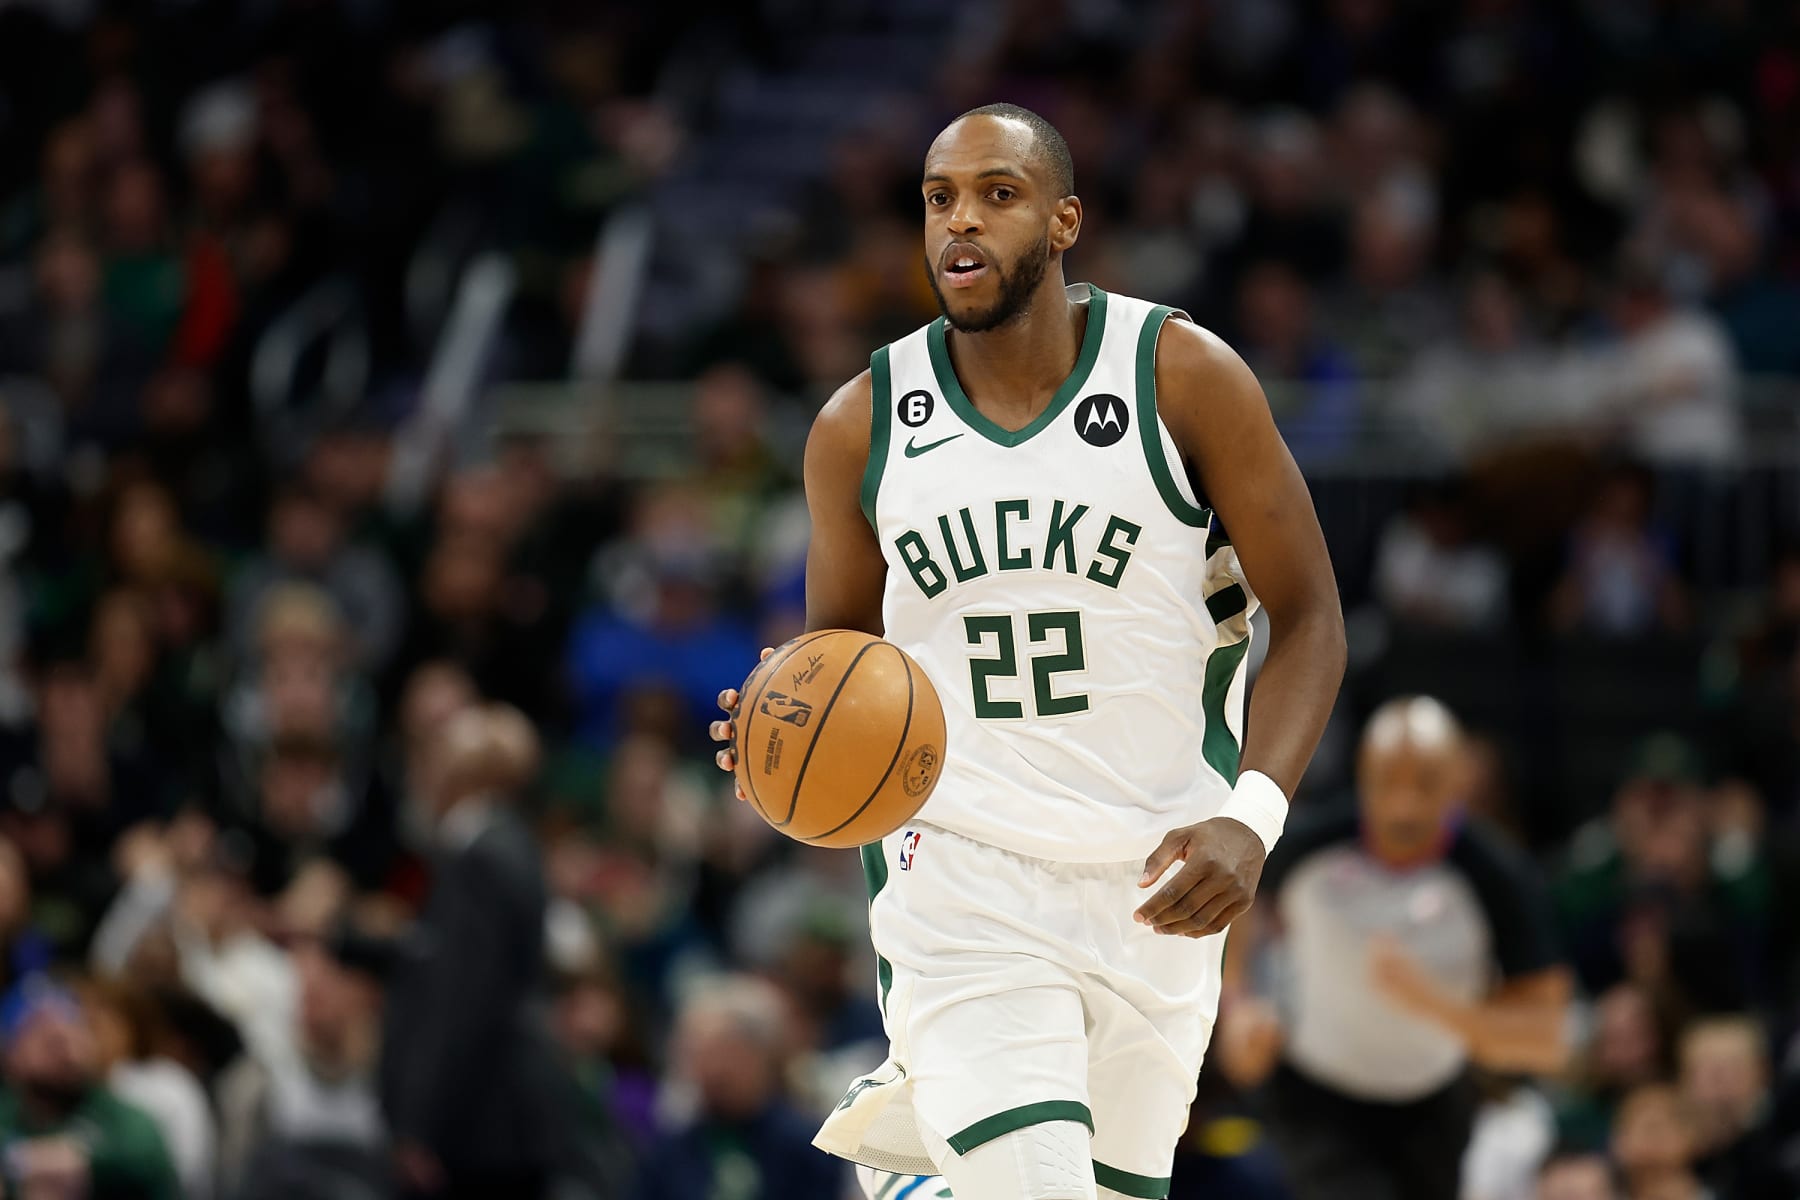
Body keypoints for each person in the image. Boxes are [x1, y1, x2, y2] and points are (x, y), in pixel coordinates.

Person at [712, 102, 1346, 1200]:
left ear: (1062, 222)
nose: (962, 222)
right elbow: (838, 660)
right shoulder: (862, 426)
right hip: (963, 882)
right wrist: (779, 721)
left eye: (997, 195)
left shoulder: (1180, 376)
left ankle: (925, 1187)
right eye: (939, 199)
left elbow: (1312, 615)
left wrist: (1253, 818)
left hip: (1163, 885)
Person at [1215, 696, 1572, 1200]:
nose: (1403, 804)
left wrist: (1434, 1005)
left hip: (1435, 1105)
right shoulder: (1304, 846)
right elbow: (1237, 901)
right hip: (1316, 1095)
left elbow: (1546, 1039)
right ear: (1362, 778)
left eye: (1425, 784)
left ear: (1458, 783)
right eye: (1386, 783)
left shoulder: (1498, 877)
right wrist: (1238, 1005)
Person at [378, 703, 568, 1200]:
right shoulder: (511, 845)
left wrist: (420, 1124)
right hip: (505, 1116)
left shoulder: (479, 858)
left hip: (481, 1126)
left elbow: (459, 1001)